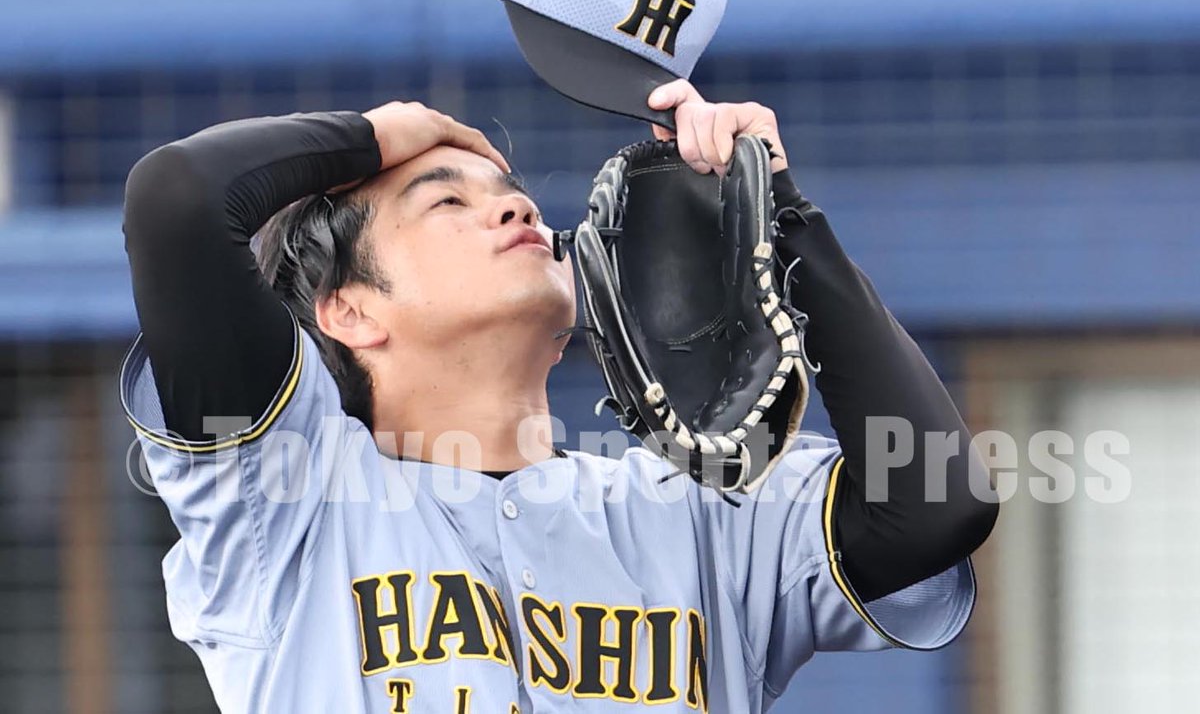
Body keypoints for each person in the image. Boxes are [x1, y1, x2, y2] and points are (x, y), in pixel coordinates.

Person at [120, 79, 996, 713]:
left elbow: (935, 504)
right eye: (447, 201)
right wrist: (379, 134)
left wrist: (783, 217)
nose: (517, 214)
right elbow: (181, 201)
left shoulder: (697, 506)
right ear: (347, 309)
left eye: (514, 197)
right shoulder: (287, 500)